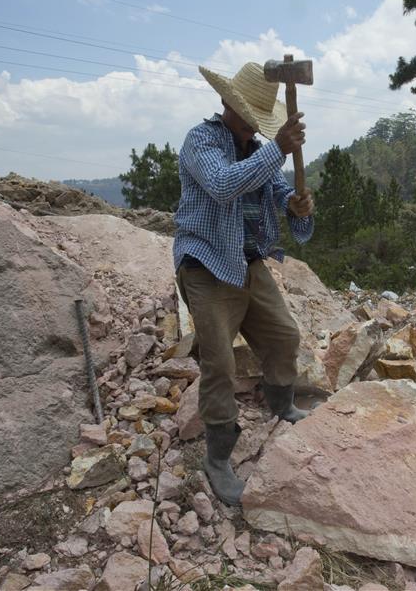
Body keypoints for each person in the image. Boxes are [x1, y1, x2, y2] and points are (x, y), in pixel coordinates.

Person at [173, 61, 315, 506]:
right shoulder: (202, 141)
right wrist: (278, 147)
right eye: (248, 116)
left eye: (259, 121)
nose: (253, 128)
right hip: (207, 264)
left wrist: (296, 205)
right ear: (226, 104)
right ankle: (218, 457)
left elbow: (273, 190)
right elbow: (221, 185)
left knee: (284, 335)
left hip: (250, 262)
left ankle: (282, 403)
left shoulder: (255, 146)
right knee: (219, 363)